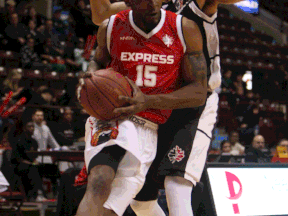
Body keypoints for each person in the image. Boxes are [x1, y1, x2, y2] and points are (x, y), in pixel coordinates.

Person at [87, 0, 244, 215]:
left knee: (176, 186)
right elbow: (101, 14)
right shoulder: (147, 5)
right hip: (156, 103)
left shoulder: (195, 3)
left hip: (195, 101)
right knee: (141, 202)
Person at [11, 121, 47, 201]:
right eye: (29, 127)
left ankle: (54, 194)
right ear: (24, 129)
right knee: (33, 169)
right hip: (19, 165)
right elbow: (17, 158)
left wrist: (34, 161)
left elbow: (34, 156)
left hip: (31, 164)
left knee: (48, 167)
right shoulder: (19, 140)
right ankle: (35, 194)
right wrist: (31, 163)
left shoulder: (34, 141)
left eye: (33, 127)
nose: (32, 129)